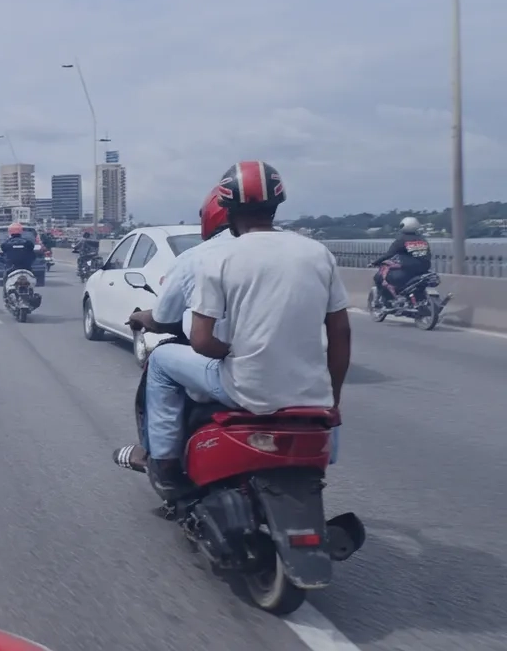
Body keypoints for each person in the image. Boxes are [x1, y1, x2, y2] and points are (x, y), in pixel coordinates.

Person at [113, 161, 351, 500]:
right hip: (312, 395)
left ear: (226, 209)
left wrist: (234, 353)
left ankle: (164, 465)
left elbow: (201, 340)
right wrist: (333, 399)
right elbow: (341, 334)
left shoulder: (214, 258)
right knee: (320, 396)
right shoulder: (317, 253)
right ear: (277, 204)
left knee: (163, 359)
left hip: (244, 387)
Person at [124, 186, 237, 343]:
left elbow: (163, 319)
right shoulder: (276, 251)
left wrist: (138, 317)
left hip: (232, 355)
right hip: (277, 352)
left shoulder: (194, 258)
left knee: (158, 357)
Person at [371, 216, 432, 305]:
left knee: (380, 277)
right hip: (424, 269)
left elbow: (389, 255)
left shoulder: (401, 240)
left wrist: (375, 262)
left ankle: (388, 300)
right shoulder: (423, 240)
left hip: (408, 271)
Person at [0, 223, 36, 294]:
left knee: (5, 278)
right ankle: (31, 292)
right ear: (21, 231)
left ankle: (5, 295)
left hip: (12, 268)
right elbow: (32, 252)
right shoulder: (28, 243)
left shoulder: (6, 244)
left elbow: (2, 253)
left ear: (10, 232)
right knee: (32, 277)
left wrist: (3, 260)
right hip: (27, 268)